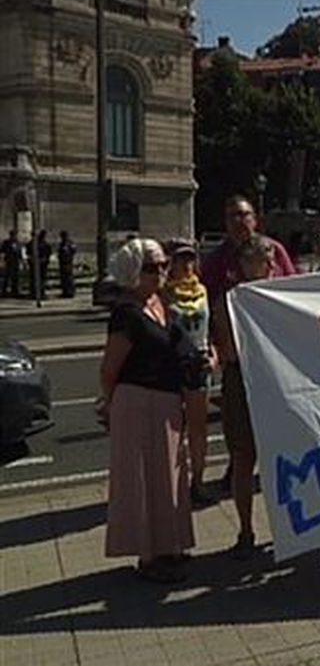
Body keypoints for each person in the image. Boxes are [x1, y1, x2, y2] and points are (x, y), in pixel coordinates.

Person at [201, 195, 296, 557]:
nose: (269, 266)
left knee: (284, 457)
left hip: (281, 380)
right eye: (232, 215)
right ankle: (245, 530)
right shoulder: (227, 293)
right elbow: (215, 330)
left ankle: (291, 525)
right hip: (243, 380)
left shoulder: (277, 259)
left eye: (244, 214)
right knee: (243, 457)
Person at [98, 239, 193, 583]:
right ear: (132, 271)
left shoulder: (161, 303)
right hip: (136, 400)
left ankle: (170, 546)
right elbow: (109, 370)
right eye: (152, 267)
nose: (161, 272)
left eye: (164, 265)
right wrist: (111, 405)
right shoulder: (126, 313)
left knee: (168, 477)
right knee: (141, 480)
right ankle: (148, 556)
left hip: (166, 400)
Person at [162, 238, 216, 507]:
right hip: (172, 368)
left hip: (200, 365)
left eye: (189, 259)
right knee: (173, 430)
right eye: (179, 260)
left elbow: (211, 328)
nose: (186, 265)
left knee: (198, 427)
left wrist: (214, 355)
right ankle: (173, 483)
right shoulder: (163, 293)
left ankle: (198, 481)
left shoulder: (203, 290)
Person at [26, 230, 51, 300]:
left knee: (42, 279)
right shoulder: (31, 244)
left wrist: (45, 259)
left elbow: (48, 253)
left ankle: (41, 293)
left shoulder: (45, 244)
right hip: (34, 265)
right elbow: (28, 254)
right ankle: (34, 293)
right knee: (34, 279)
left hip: (43, 265)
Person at [57, 230, 76, 298]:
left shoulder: (70, 243)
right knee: (64, 278)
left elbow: (73, 250)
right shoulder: (61, 244)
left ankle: (70, 292)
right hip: (63, 263)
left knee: (69, 277)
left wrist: (69, 254)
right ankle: (65, 292)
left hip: (68, 262)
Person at [0, 230, 19, 297]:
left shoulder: (17, 242)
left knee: (15, 277)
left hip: (15, 262)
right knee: (7, 276)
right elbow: (2, 251)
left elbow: (18, 252)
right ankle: (4, 292)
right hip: (8, 261)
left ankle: (14, 291)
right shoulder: (6, 242)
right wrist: (3, 260)